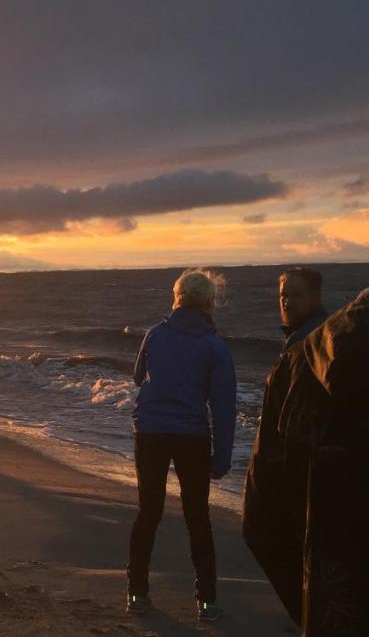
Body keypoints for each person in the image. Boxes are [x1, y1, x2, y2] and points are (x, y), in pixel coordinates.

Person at [263, 163, 369, 635]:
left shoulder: (306, 359)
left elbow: (265, 516)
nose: (285, 301)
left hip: (349, 603)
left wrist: (315, 600)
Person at [126, 269, 235, 622]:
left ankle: (137, 593)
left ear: (177, 298)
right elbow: (223, 407)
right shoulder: (214, 346)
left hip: (151, 432)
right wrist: (222, 458)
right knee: (197, 517)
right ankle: (208, 600)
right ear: (208, 302)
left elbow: (137, 376)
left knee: (149, 511)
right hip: (192, 435)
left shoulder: (155, 335)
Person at [242, 267, 330, 624]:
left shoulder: (309, 343)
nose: (287, 301)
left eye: (295, 295)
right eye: (283, 295)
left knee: (267, 537)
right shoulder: (306, 338)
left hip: (289, 472)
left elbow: (298, 421)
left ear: (314, 298)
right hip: (290, 470)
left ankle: (313, 619)